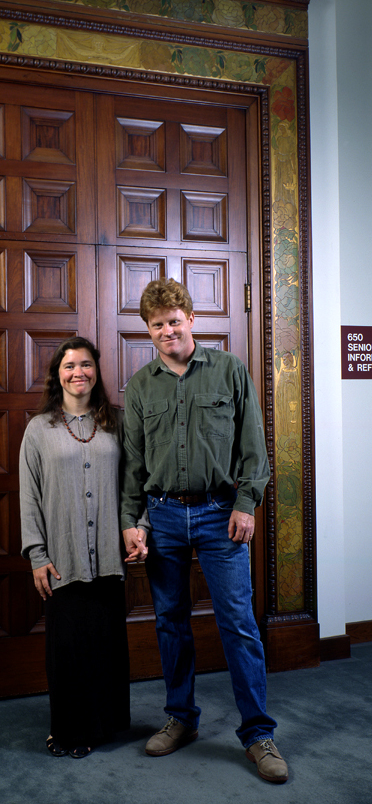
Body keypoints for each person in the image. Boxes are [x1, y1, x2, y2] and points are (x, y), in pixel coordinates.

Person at [120, 278, 288, 783]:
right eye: (157, 325)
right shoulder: (141, 386)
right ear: (147, 331)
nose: (167, 330)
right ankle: (181, 719)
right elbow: (133, 464)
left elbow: (254, 446)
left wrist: (247, 503)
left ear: (191, 319)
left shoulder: (230, 370)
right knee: (171, 622)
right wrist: (132, 521)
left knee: (238, 622)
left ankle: (258, 734)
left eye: (174, 320)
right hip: (164, 516)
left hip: (221, 514)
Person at [20, 336, 144, 759]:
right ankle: (65, 730)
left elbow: (137, 482)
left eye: (86, 364)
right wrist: (37, 554)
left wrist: (139, 527)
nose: (79, 373)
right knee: (67, 649)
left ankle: (99, 727)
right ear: (58, 374)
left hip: (110, 555)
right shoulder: (39, 430)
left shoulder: (118, 423)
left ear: (97, 371)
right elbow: (29, 496)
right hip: (63, 557)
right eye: (70, 365)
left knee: (104, 646)